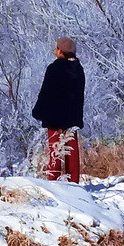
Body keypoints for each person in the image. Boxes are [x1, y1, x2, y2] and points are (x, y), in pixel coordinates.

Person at [31, 37, 85, 182]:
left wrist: (37, 112)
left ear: (60, 51)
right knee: (72, 152)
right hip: (72, 117)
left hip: (54, 117)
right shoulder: (79, 70)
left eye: (56, 48)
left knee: (55, 150)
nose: (55, 50)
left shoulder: (54, 68)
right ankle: (73, 182)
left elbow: (45, 93)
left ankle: (53, 182)